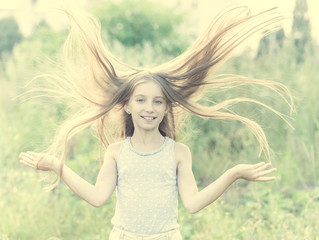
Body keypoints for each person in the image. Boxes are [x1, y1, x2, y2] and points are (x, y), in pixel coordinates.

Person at [19, 5, 293, 240]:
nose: (149, 108)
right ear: (126, 105)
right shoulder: (117, 152)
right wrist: (57, 166)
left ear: (166, 108)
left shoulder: (178, 152)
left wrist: (233, 173)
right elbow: (97, 197)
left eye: (158, 101)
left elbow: (193, 203)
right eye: (140, 100)